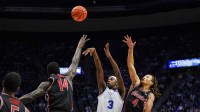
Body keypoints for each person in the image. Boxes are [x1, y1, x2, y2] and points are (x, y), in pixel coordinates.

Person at [19, 35, 90, 112]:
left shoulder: (47, 84)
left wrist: (14, 100)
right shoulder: (68, 77)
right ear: (59, 71)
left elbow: (30, 96)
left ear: (49, 74)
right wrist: (79, 47)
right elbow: (75, 62)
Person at [82, 43, 126, 112]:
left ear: (117, 84)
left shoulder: (121, 92)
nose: (108, 80)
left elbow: (118, 73)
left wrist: (109, 57)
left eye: (111, 79)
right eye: (108, 79)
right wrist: (94, 53)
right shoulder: (102, 89)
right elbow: (99, 69)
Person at [122, 35, 161, 112]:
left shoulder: (150, 95)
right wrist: (130, 49)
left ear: (151, 83)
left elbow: (148, 109)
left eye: (147, 77)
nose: (144, 77)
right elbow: (130, 65)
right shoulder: (136, 83)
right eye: (145, 76)